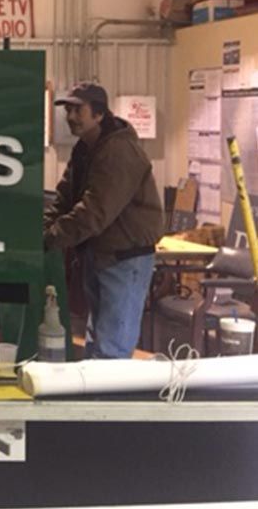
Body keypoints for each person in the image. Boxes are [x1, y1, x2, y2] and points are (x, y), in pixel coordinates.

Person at [43, 82, 163, 359]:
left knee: (112, 349)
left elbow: (94, 212)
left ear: (99, 114)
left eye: (78, 110)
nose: (71, 117)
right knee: (96, 341)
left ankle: (110, 387)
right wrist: (43, 228)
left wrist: (51, 237)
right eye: (68, 110)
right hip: (100, 255)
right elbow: (64, 196)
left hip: (125, 260)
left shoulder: (119, 152)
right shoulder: (85, 149)